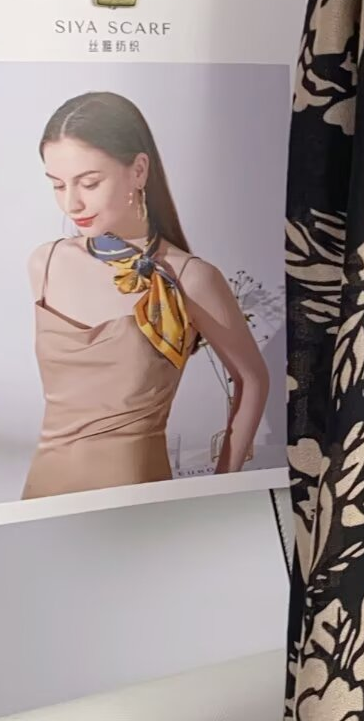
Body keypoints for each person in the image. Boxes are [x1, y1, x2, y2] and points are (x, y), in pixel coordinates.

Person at [22, 90, 270, 500]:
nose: (71, 203)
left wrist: (223, 484)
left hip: (137, 498)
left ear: (138, 170)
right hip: (42, 493)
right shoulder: (45, 263)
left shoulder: (191, 278)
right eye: (57, 185)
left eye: (89, 182)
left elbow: (253, 378)